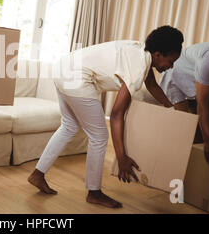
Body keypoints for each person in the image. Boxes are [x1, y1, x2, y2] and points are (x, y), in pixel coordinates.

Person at [28, 26, 184, 208]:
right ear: (158, 54)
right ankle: (94, 193)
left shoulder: (141, 51)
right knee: (99, 136)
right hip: (77, 78)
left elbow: (152, 85)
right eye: (171, 61)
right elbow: (117, 114)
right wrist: (122, 157)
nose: (170, 67)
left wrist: (173, 110)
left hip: (63, 68)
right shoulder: (139, 64)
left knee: (69, 126)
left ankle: (37, 175)